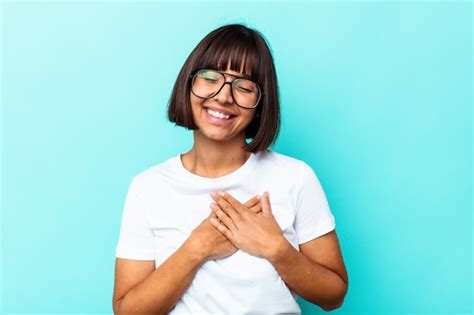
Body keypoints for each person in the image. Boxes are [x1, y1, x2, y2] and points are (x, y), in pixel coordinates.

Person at [112, 23, 348, 314]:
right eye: (210, 78)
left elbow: (333, 295)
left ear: (261, 105)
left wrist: (275, 248)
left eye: (244, 87)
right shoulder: (148, 187)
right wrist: (197, 248)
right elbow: (127, 311)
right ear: (188, 85)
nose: (224, 96)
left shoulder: (294, 177)